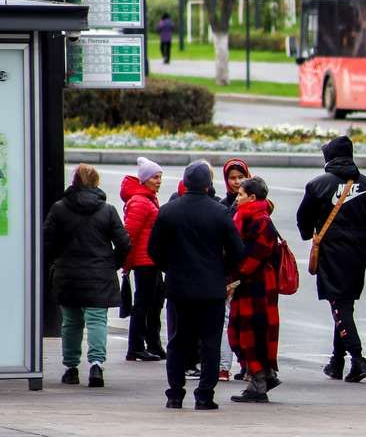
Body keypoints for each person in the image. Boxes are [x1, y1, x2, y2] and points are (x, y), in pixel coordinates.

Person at [149, 161, 245, 410]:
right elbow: (237, 250)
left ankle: (175, 393)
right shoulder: (219, 212)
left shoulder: (169, 211)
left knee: (178, 341)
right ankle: (204, 395)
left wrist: (170, 268)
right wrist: (221, 270)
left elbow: (154, 250)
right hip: (211, 288)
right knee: (210, 343)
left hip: (179, 287)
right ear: (208, 185)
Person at [295, 135, 366, 383]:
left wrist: (309, 235)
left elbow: (303, 218)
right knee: (345, 303)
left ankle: (358, 360)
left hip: (332, 249)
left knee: (339, 303)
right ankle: (336, 362)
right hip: (360, 251)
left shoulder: (318, 185)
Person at [44, 164, 131, 387]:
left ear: (74, 181)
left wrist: (56, 263)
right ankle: (96, 365)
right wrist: (111, 263)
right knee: (96, 321)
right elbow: (124, 243)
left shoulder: (59, 208)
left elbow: (47, 242)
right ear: (96, 182)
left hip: (68, 274)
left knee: (71, 322)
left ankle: (71, 367)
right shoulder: (107, 210)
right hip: (99, 274)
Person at [227, 177, 282, 403]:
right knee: (241, 331)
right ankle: (263, 377)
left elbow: (253, 257)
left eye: (240, 195)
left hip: (257, 286)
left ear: (252, 197)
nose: (237, 198)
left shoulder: (260, 220)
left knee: (253, 333)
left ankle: (259, 382)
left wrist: (233, 276)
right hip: (250, 285)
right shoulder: (244, 217)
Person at [120, 157, 165, 362]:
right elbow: (130, 234)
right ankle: (136, 347)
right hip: (144, 261)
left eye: (160, 177)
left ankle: (152, 344)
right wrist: (127, 263)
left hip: (151, 259)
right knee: (143, 304)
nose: (158, 181)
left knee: (154, 303)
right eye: (155, 177)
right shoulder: (140, 201)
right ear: (145, 179)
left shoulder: (147, 198)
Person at [218, 159, 251, 381]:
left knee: (246, 321)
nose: (237, 182)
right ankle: (224, 367)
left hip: (249, 272)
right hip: (230, 272)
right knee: (227, 319)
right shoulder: (222, 206)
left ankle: (248, 365)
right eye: (232, 178)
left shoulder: (258, 205)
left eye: (241, 177)